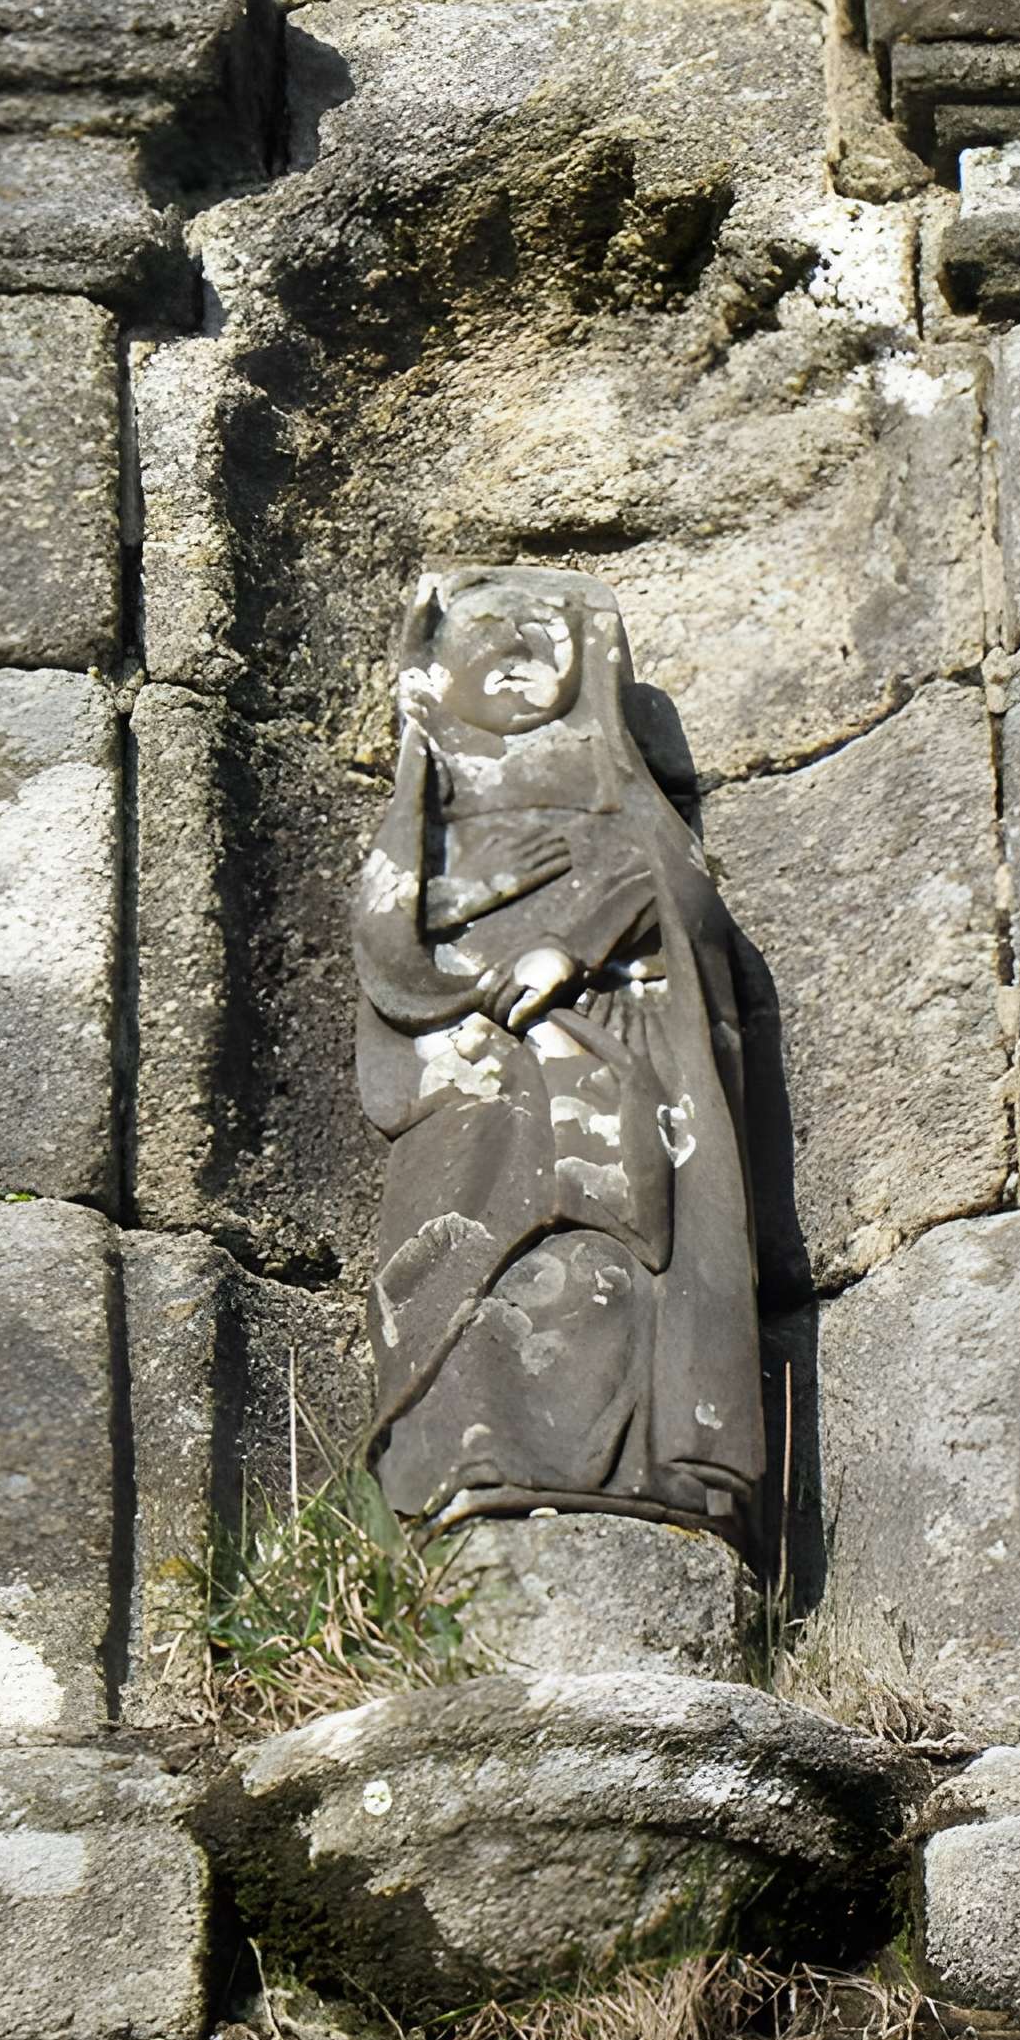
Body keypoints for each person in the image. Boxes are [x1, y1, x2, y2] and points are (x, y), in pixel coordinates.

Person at [351, 564, 765, 1548]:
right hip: (473, 1079)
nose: (514, 659)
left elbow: (682, 905)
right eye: (486, 640)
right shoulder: (430, 811)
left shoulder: (622, 806)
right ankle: (461, 1455)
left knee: (597, 1261)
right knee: (457, 1257)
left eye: (539, 638)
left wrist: (574, 942)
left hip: (607, 1068)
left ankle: (630, 1467)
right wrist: (464, 905)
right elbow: (386, 942)